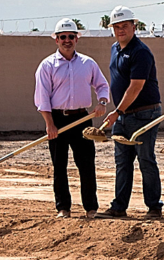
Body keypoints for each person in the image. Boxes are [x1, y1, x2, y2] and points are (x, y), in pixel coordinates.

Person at [34, 18, 110, 219]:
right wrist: (49, 124)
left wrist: (102, 102)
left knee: (86, 164)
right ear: (56, 40)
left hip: (82, 119)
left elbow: (102, 85)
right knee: (59, 165)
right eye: (63, 37)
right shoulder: (46, 66)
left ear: (77, 39)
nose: (67, 40)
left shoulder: (88, 63)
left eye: (71, 37)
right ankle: (63, 208)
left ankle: (91, 208)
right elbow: (42, 98)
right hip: (57, 120)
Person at [96, 6, 164, 219]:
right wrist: (118, 111)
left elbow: (136, 86)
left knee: (145, 160)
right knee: (122, 162)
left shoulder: (140, 52)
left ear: (134, 26)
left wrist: (117, 111)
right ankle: (119, 207)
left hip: (144, 114)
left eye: (124, 25)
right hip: (124, 115)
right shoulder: (115, 49)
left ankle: (154, 207)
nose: (120, 30)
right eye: (116, 26)